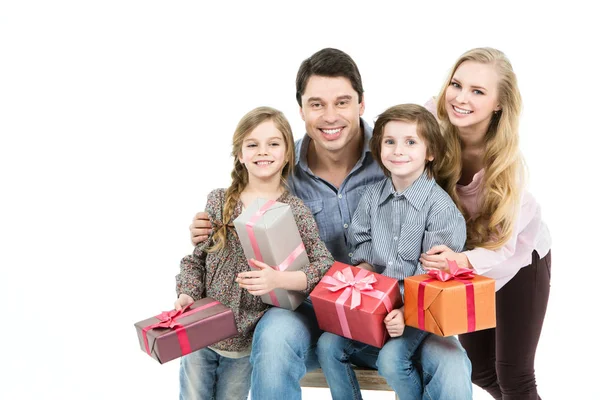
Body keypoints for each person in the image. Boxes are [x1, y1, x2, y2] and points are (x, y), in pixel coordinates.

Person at [190, 48, 472, 400]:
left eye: (342, 102)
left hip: (398, 307)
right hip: (306, 309)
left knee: (451, 362)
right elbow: (242, 207)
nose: (330, 116)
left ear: (361, 104)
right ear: (301, 110)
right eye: (317, 104)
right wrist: (211, 227)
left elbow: (448, 228)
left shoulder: (397, 156)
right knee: (274, 337)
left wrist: (458, 262)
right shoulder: (281, 166)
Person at [175, 106, 333, 400]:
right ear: (239, 154)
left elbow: (324, 266)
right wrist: (187, 294)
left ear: (288, 153)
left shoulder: (294, 211)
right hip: (199, 334)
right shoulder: (219, 200)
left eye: (273, 143)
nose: (263, 151)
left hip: (245, 341)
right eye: (252, 144)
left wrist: (280, 280)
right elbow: (195, 260)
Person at [420, 47, 552, 399]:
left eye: (477, 92)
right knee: (479, 368)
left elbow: (505, 246)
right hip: (466, 261)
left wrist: (460, 260)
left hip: (519, 259)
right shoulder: (432, 119)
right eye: (457, 85)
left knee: (515, 375)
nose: (461, 99)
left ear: (498, 104)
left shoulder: (507, 166)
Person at [316, 104, 470, 400]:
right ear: (379, 148)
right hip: (376, 305)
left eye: (410, 142)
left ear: (430, 152)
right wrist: (364, 272)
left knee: (391, 360)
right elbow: (361, 249)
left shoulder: (440, 208)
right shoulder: (372, 197)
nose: (398, 150)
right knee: (328, 345)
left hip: (417, 312)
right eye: (390, 142)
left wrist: (404, 311)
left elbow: (438, 280)